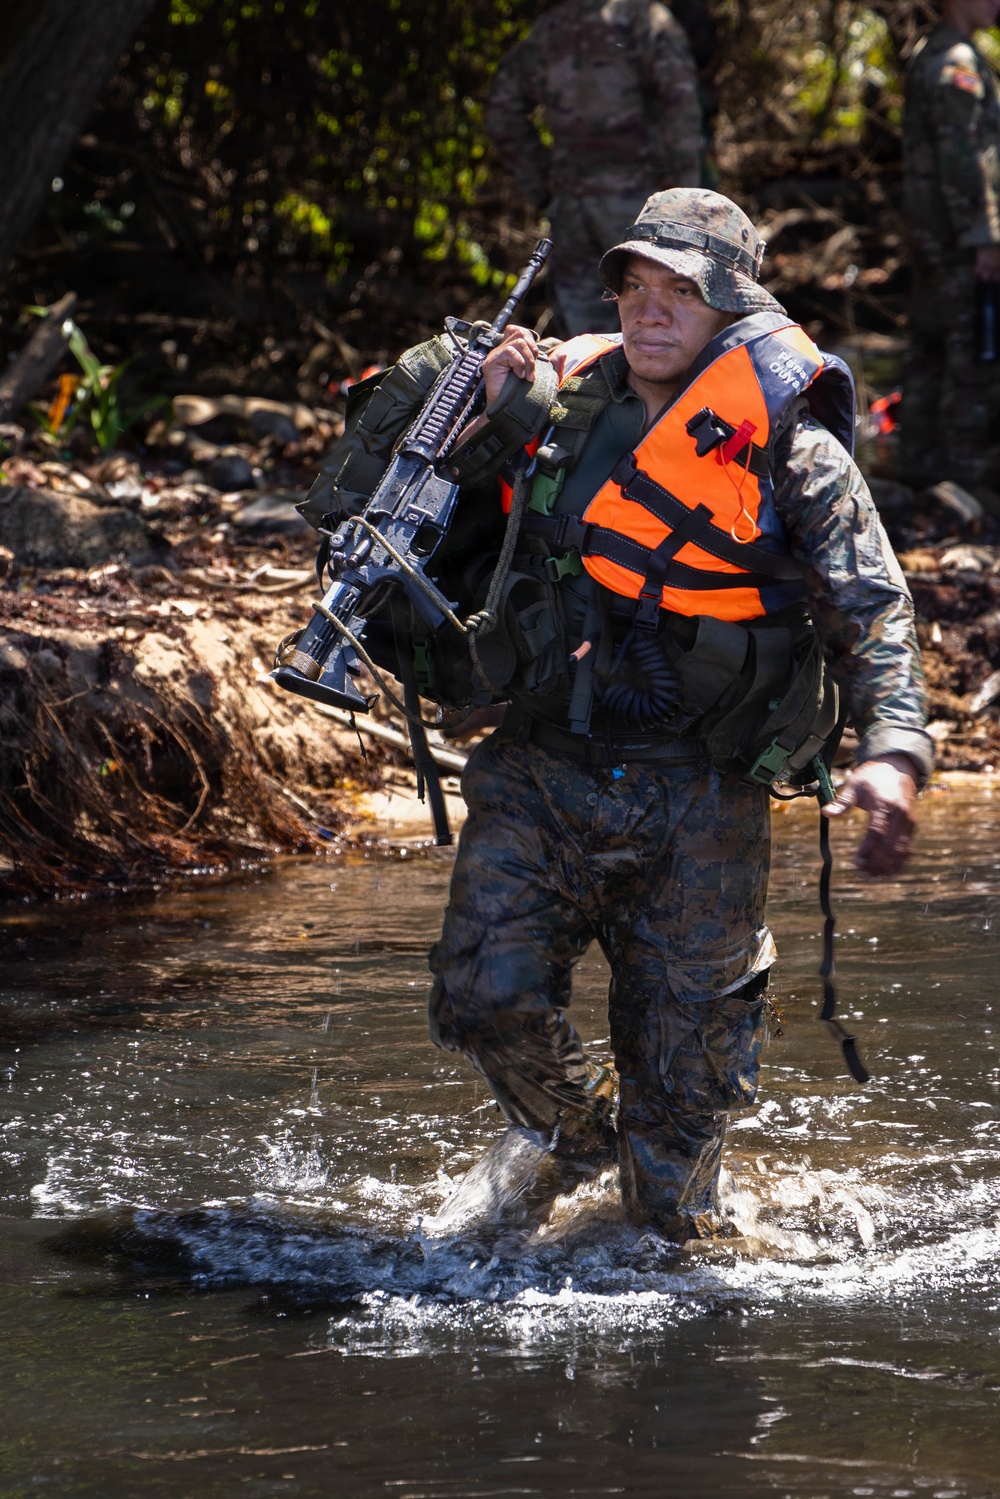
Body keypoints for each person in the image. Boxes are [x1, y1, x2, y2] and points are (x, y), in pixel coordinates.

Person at [307, 189, 933, 1243]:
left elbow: (870, 601)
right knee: (485, 995)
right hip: (542, 762)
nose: (648, 310)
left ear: (731, 306)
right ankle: (569, 1138)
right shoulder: (547, 402)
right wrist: (457, 417)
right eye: (633, 286)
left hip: (704, 794)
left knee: (676, 1155)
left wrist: (893, 750)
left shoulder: (784, 440)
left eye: (679, 291)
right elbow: (403, 518)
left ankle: (656, 1208)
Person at [485, 0, 705, 336]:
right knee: (654, 326)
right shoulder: (645, 20)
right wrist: (685, 201)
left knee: (584, 336)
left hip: (573, 207)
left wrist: (542, 185)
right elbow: (681, 108)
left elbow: (501, 109)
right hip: (639, 205)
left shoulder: (551, 28)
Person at [900, 0, 1000, 501]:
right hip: (957, 239)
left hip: (932, 232)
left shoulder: (929, 51)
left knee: (931, 345)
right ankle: (968, 479)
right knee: (972, 355)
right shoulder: (955, 62)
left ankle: (915, 466)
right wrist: (983, 237)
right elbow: (963, 158)